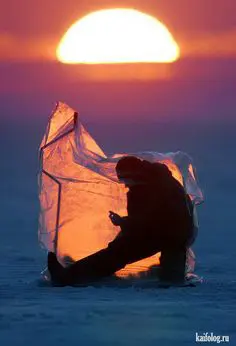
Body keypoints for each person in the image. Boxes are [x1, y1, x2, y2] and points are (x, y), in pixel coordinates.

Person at [48, 156, 194, 286]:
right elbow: (148, 221)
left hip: (166, 235)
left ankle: (68, 277)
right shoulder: (159, 181)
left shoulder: (148, 190)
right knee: (169, 274)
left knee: (116, 253)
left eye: (125, 179)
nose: (125, 185)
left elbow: (147, 222)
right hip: (174, 234)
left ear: (133, 175)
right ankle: (78, 272)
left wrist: (122, 223)